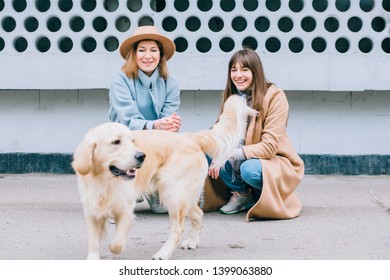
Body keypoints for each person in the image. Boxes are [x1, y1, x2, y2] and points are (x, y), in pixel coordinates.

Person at [205, 48, 304, 221]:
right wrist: (214, 147)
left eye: (244, 70)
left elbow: (269, 147)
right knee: (207, 150)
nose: (238, 75)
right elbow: (219, 131)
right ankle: (242, 193)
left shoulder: (275, 96)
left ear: (255, 72)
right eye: (234, 70)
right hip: (240, 159)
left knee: (249, 169)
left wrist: (230, 153)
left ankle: (265, 194)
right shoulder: (233, 98)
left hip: (272, 161)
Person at [108, 25, 181, 213]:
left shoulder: (170, 83)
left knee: (162, 209)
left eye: (153, 50)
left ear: (160, 55)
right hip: (124, 141)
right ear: (134, 54)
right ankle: (122, 191)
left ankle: (152, 186)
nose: (147, 56)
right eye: (141, 50)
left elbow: (168, 117)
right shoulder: (120, 80)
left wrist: (170, 125)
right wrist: (156, 124)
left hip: (156, 144)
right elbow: (128, 119)